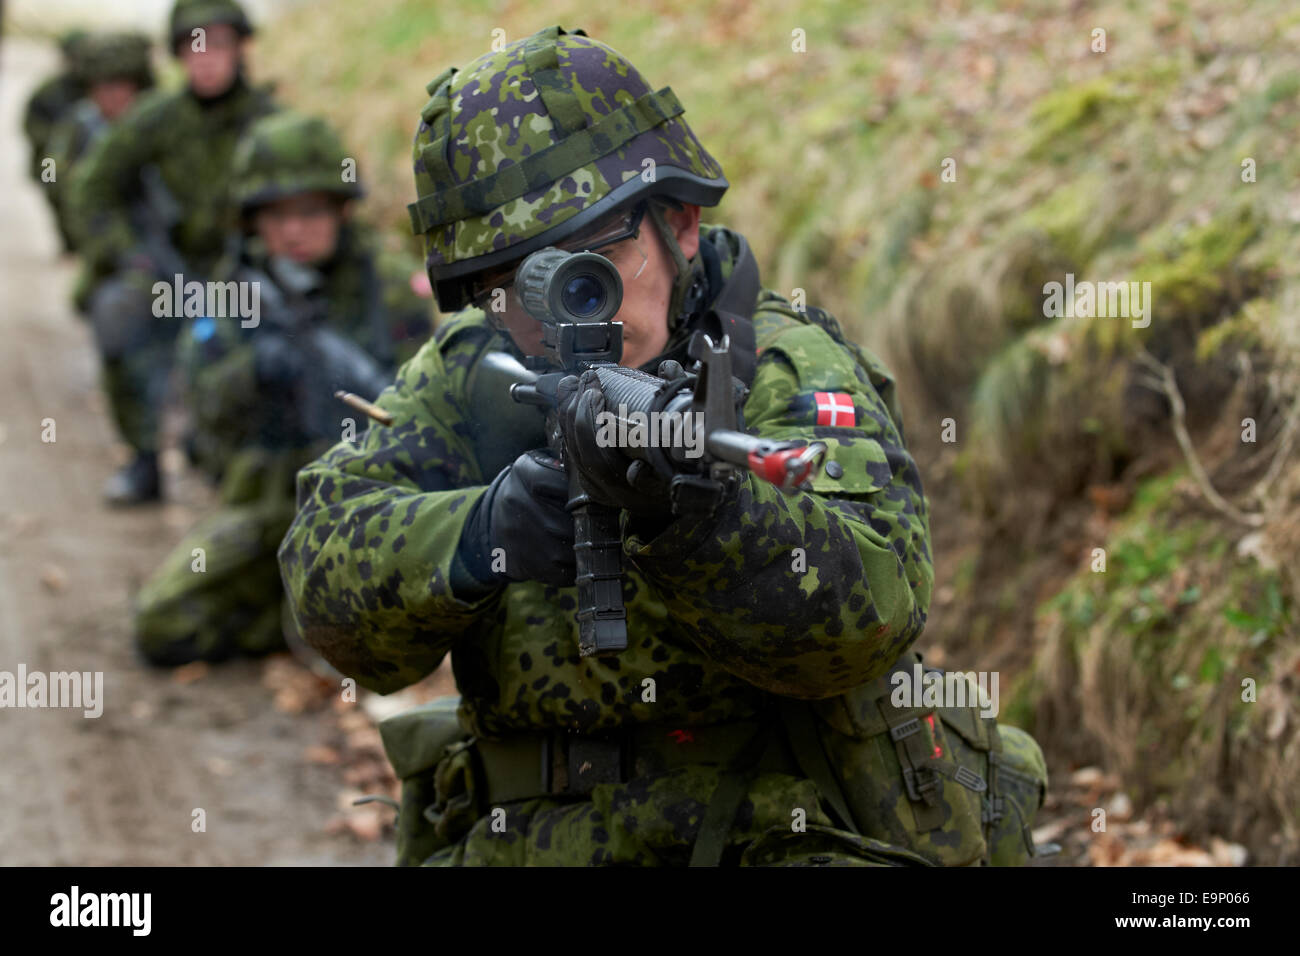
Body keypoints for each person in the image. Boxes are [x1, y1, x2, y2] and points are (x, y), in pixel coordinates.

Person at [278, 26, 1047, 866]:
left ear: (679, 224)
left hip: (772, 831)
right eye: (511, 285)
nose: (559, 316)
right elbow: (322, 580)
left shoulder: (785, 366)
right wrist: (482, 536)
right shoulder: (471, 374)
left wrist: (701, 520)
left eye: (590, 265)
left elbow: (874, 611)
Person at [133, 110, 433, 667]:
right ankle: (277, 617)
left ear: (342, 209)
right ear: (251, 221)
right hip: (268, 501)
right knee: (163, 624)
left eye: (310, 212)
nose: (293, 231)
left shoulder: (387, 287)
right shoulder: (231, 292)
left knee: (365, 652)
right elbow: (199, 414)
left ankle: (303, 616)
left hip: (370, 508)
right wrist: (255, 371)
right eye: (275, 216)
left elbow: (433, 410)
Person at [66, 0, 277, 506]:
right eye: (193, 47)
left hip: (245, 274)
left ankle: (246, 463)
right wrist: (131, 254)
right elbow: (92, 190)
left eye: (218, 44)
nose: (205, 59)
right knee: (120, 313)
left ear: (240, 50)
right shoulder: (153, 119)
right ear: (179, 56)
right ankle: (143, 460)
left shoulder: (269, 122)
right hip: (167, 271)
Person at [44, 32, 155, 267]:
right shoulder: (80, 122)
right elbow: (51, 165)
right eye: (104, 87)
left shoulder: (154, 121)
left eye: (121, 87)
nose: (112, 96)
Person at [23, 29, 89, 251]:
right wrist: (54, 142)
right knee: (54, 189)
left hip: (83, 155)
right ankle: (68, 240)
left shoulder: (92, 87)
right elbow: (32, 124)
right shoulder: (49, 90)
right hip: (50, 158)